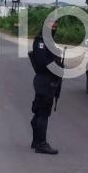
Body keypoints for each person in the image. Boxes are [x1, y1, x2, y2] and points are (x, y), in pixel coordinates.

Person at [28, 22, 62, 155]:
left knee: (39, 111)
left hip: (48, 81)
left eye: (55, 28)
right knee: (43, 112)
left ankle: (36, 141)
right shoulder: (41, 42)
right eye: (51, 28)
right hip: (44, 81)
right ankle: (41, 144)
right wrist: (57, 65)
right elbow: (43, 63)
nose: (54, 30)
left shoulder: (48, 42)